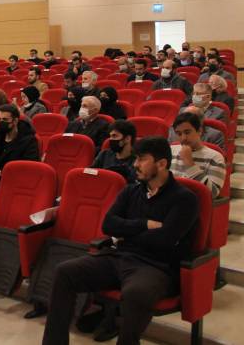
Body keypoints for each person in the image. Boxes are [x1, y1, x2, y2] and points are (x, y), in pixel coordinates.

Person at [41, 137, 199, 345]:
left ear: (161, 164)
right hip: (118, 257)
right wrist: (143, 224)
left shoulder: (185, 199)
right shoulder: (131, 191)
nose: (135, 164)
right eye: (136, 159)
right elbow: (108, 225)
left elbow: (165, 240)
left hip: (155, 266)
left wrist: (126, 233)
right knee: (65, 272)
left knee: (136, 293)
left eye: (142, 159)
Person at [170, 112, 225, 198]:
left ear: (199, 131)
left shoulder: (215, 157)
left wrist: (189, 163)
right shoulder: (170, 150)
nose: (183, 138)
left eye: (187, 132)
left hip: (195, 203)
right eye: (179, 134)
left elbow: (213, 193)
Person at [0, 104, 40, 169]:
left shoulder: (29, 141)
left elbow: (29, 167)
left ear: (15, 121)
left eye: (5, 119)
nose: (1, 122)